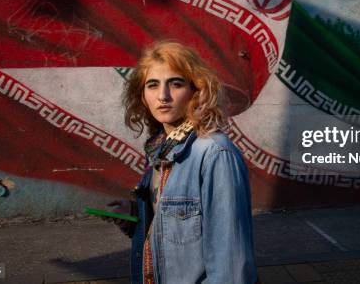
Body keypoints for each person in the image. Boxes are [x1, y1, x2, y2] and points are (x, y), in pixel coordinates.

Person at [109, 41, 257, 284]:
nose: (163, 96)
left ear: (196, 90)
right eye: (152, 85)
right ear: (143, 96)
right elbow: (173, 225)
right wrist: (135, 214)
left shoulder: (214, 154)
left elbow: (231, 269)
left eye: (175, 84)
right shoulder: (162, 149)